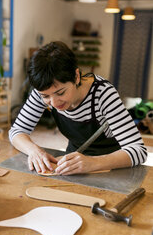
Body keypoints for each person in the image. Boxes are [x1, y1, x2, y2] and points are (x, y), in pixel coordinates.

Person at [9, 41, 147, 175]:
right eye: (45, 96)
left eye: (61, 93)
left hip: (113, 165)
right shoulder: (43, 91)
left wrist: (93, 163)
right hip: (74, 162)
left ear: (76, 76)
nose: (54, 103)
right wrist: (34, 151)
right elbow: (16, 131)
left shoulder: (103, 94)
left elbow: (138, 151)